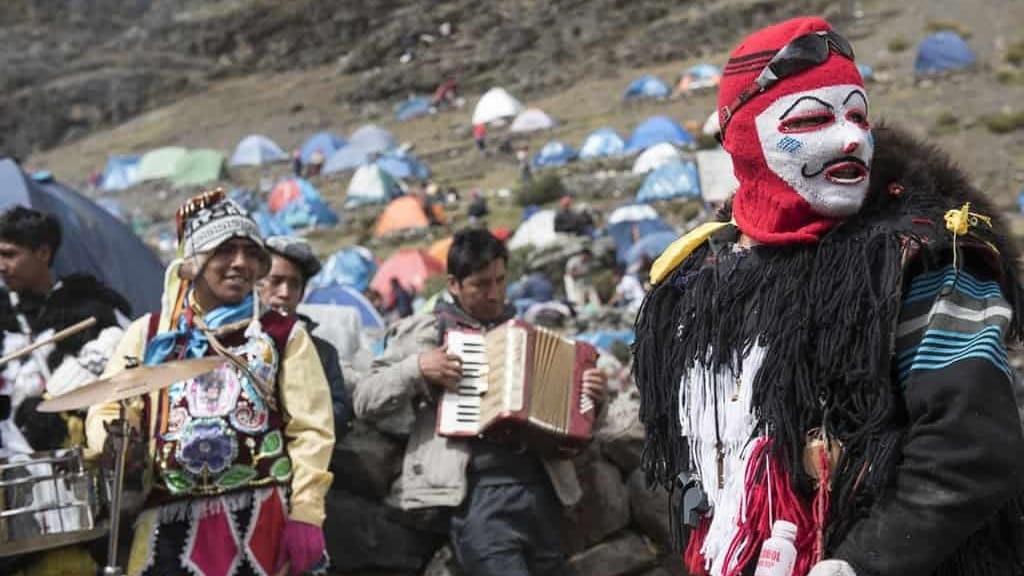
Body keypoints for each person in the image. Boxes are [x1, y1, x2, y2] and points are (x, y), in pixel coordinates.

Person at [633, 17, 1024, 576]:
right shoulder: (698, 274)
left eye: (858, 116)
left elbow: (971, 451)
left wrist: (861, 563)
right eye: (813, 118)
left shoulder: (924, 258)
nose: (850, 138)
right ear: (743, 138)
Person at [86, 190, 334, 576]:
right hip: (167, 524)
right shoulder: (148, 335)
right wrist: (115, 440)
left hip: (261, 519)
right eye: (225, 251)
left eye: (251, 253)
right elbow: (108, 407)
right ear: (193, 262)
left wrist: (306, 513)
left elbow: (312, 431)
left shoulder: (282, 335)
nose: (241, 263)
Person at [352, 229, 608, 576]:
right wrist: (418, 368)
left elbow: (576, 424)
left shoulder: (525, 332)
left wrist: (593, 397)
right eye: (481, 285)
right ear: (454, 284)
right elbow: (365, 397)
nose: (494, 294)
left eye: (501, 281)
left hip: (542, 493)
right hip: (476, 497)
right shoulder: (429, 331)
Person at [0, 206, 132, 575]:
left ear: (43, 252)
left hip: (76, 486)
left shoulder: (90, 308)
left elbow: (124, 373)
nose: (0, 265)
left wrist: (55, 407)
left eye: (10, 254)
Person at [261, 235, 354, 438]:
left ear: (302, 294)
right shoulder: (235, 343)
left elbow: (339, 415)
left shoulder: (323, 353)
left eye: (294, 284)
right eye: (275, 281)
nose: (285, 293)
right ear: (256, 284)